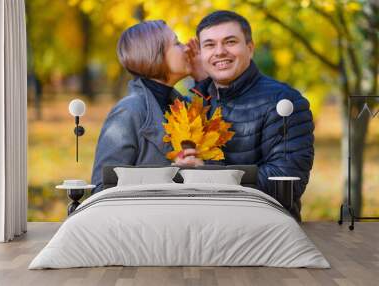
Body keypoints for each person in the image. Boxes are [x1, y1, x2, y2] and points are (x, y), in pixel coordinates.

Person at [177, 10, 314, 220]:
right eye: (210, 45)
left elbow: (287, 183)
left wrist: (207, 174)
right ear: (201, 54)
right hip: (203, 230)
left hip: (264, 232)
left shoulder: (284, 102)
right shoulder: (195, 104)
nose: (220, 51)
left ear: (250, 48)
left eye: (230, 42)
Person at [91, 20, 195, 194]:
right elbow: (102, 188)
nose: (186, 48)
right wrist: (173, 176)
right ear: (155, 54)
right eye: (177, 43)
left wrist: (203, 76)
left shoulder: (184, 107)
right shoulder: (128, 113)